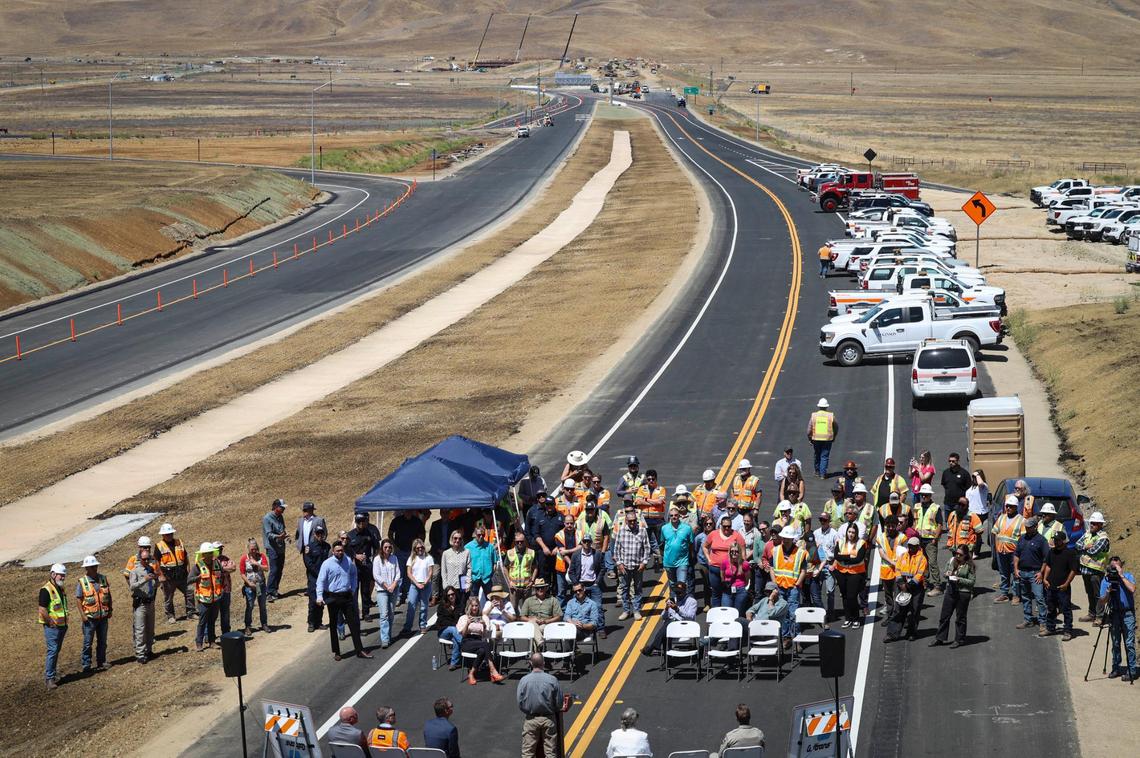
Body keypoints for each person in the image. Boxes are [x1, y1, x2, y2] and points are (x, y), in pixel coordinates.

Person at [315, 541, 372, 660]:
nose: (340, 552)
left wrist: (353, 587)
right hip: (333, 597)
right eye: (337, 551)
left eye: (341, 550)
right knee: (333, 624)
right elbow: (320, 581)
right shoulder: (327, 564)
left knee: (354, 624)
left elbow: (353, 574)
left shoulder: (348, 561)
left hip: (347, 596)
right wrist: (320, 597)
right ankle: (337, 652)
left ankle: (360, 650)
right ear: (333, 551)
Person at [1098, 557, 1137, 679]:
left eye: (1117, 567)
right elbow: (1102, 601)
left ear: (1121, 567)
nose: (1114, 570)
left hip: (1128, 614)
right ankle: (1116, 668)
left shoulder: (1128, 576)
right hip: (1114, 613)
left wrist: (1121, 576)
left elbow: (1132, 589)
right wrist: (1108, 592)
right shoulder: (1106, 580)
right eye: (1112, 567)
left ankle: (1132, 671)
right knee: (1115, 643)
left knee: (1129, 643)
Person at [518, 652, 563, 758]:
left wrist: (528, 711)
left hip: (531, 719)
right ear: (543, 663)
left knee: (527, 753)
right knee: (550, 753)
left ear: (530, 663)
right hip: (548, 718)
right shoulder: (552, 680)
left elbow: (520, 702)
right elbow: (559, 702)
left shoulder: (524, 681)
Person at [930, 545, 976, 648]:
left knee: (960, 617)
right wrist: (947, 574)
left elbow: (972, 582)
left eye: (960, 554)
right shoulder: (951, 560)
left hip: (963, 593)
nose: (957, 556)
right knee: (944, 616)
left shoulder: (970, 566)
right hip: (951, 591)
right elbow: (945, 573)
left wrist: (959, 579)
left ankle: (959, 639)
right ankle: (940, 638)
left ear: (965, 555)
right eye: (956, 554)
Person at [75, 556, 113, 673]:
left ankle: (101, 661)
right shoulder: (82, 582)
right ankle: (86, 664)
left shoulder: (103, 579)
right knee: (88, 642)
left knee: (102, 641)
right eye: (92, 567)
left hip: (103, 616)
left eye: (95, 566)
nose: (95, 568)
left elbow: (108, 595)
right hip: (90, 618)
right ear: (87, 568)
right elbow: (79, 599)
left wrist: (110, 609)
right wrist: (82, 615)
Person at [613, 505, 651, 620]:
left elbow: (647, 548)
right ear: (626, 520)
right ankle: (626, 610)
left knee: (638, 589)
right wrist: (619, 564)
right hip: (625, 566)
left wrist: (644, 562)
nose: (633, 523)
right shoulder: (621, 531)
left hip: (638, 566)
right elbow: (616, 549)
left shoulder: (642, 531)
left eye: (634, 520)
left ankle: (637, 610)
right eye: (630, 521)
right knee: (625, 588)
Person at [772, 526, 808, 648]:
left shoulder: (800, 552)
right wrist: (774, 583)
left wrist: (798, 583)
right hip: (780, 586)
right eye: (784, 537)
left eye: (788, 538)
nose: (786, 540)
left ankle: (797, 638)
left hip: (793, 587)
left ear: (793, 539)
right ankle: (786, 637)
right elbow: (772, 568)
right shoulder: (776, 550)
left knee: (793, 614)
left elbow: (803, 570)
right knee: (783, 614)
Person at [886, 537, 928, 642]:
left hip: (916, 587)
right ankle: (892, 634)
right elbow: (898, 569)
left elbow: (919, 574)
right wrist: (901, 583)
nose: (911, 548)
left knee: (914, 610)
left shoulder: (922, 559)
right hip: (902, 585)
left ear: (918, 546)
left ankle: (912, 633)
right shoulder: (903, 556)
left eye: (913, 546)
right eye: (909, 546)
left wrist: (908, 585)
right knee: (898, 610)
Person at [642, 581, 698, 655]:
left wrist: (677, 609)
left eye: (680, 593)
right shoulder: (672, 600)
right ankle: (665, 654)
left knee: (668, 625)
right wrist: (666, 609)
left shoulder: (692, 602)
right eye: (676, 592)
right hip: (670, 624)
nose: (678, 595)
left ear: (685, 591)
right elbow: (663, 617)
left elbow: (690, 617)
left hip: (683, 625)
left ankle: (652, 648)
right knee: (667, 625)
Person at [458, 596, 505, 684]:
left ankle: (471, 674)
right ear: (469, 607)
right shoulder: (464, 618)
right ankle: (493, 670)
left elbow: (485, 636)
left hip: (479, 641)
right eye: (472, 606)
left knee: (483, 650)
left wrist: (484, 626)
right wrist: (467, 624)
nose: (474, 608)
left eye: (476, 606)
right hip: (467, 641)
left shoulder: (483, 617)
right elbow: (462, 634)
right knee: (485, 645)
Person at [703, 514, 746, 611]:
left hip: (729, 570)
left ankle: (727, 613)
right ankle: (716, 613)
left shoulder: (736, 535)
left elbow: (743, 551)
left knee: (727, 592)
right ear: (720, 525)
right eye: (724, 526)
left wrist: (739, 565)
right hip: (714, 568)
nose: (727, 528)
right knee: (715, 592)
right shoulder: (713, 534)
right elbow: (705, 546)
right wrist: (709, 559)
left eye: (729, 526)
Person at [127, 539, 159, 664]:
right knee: (140, 629)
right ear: (140, 559)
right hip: (140, 604)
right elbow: (132, 586)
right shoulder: (135, 571)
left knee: (150, 629)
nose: (146, 561)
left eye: (148, 559)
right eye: (144, 559)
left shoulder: (151, 569)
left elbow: (156, 585)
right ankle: (140, 654)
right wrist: (144, 580)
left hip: (150, 602)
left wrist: (156, 580)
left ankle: (149, 650)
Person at [567, 535, 607, 637]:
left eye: (588, 541)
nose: (586, 543)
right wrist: (576, 583)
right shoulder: (576, 555)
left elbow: (603, 568)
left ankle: (600, 628)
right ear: (581, 542)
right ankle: (579, 627)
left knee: (597, 606)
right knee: (576, 606)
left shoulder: (597, 554)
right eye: (584, 541)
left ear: (591, 542)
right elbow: (571, 571)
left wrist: (597, 581)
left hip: (593, 583)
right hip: (580, 584)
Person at [1042, 530, 1079, 640]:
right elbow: (1048, 566)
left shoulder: (1070, 553)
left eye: (1058, 540)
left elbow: (1073, 570)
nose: (1056, 542)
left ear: (1063, 541)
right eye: (1055, 540)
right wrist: (1045, 579)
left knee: (1066, 609)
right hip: (1051, 586)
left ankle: (1067, 630)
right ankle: (1050, 627)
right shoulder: (1052, 552)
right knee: (1051, 608)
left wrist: (1066, 584)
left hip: (1063, 588)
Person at [1014, 518, 1049, 630]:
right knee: (1025, 597)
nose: (1027, 529)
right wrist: (1016, 569)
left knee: (1039, 597)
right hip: (1023, 573)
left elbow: (1046, 559)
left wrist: (1041, 573)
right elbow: (1016, 555)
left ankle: (1043, 621)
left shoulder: (1041, 540)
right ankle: (1028, 619)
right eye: (1026, 527)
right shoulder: (1022, 538)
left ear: (1035, 527)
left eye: (1029, 527)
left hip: (1035, 574)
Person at [188, 542, 224, 651]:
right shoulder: (198, 566)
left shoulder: (217, 563)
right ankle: (199, 643)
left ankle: (212, 641)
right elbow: (189, 580)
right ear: (202, 554)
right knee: (202, 622)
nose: (209, 555)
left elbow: (221, 576)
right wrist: (198, 578)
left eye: (210, 553)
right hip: (204, 599)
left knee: (212, 620)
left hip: (215, 598)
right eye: (206, 553)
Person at [39, 563, 70, 689]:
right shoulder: (45, 590)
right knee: (52, 651)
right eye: (60, 575)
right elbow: (42, 609)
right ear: (53, 574)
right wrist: (50, 622)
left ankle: (52, 675)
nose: (62, 578)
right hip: (52, 627)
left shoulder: (60, 588)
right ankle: (49, 679)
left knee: (56, 651)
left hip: (62, 626)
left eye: (63, 576)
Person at [1076, 512, 1111, 623]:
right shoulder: (1088, 533)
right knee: (1089, 593)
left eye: (1094, 524)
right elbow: (1077, 545)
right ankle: (1092, 614)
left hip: (1096, 571)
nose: (1091, 525)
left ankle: (1099, 617)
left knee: (1098, 594)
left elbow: (1094, 551)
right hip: (1085, 570)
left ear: (1100, 525)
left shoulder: (1103, 538)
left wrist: (1084, 548)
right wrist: (1085, 546)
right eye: (1091, 523)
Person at [156, 522, 194, 623]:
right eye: (167, 534)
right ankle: (170, 616)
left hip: (182, 575)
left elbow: (186, 556)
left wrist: (188, 569)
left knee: (189, 592)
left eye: (171, 534)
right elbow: (156, 562)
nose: (169, 536)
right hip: (168, 577)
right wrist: (161, 575)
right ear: (163, 535)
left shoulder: (179, 542)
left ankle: (191, 613)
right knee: (168, 597)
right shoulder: (159, 546)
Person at [833, 523, 868, 628]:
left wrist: (844, 557)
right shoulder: (840, 542)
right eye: (849, 532)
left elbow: (859, 559)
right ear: (846, 532)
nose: (851, 534)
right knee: (844, 596)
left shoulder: (861, 543)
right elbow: (836, 556)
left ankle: (856, 618)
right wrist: (850, 557)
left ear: (856, 533)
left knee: (852, 596)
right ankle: (848, 618)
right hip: (841, 572)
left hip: (855, 573)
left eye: (853, 532)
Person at [991, 495, 1025, 604]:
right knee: (1003, 574)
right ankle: (1004, 594)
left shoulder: (1021, 520)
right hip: (1001, 551)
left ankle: (1016, 595)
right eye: (1007, 506)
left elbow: (1023, 539)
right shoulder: (1001, 517)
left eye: (1011, 506)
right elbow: (994, 531)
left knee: (1016, 575)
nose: (1008, 508)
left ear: (1016, 507)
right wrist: (996, 548)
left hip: (1014, 553)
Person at [348, 512, 382, 618]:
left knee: (366, 590)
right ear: (356, 522)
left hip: (366, 566)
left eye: (363, 521)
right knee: (354, 591)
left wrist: (373, 559)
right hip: (354, 567)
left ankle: (366, 612)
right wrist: (355, 556)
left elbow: (377, 547)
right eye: (359, 521)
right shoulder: (350, 535)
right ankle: (354, 612)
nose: (361, 524)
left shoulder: (370, 533)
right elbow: (347, 550)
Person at [388, 509, 426, 604]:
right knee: (399, 574)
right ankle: (398, 596)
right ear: (403, 511)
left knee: (411, 574)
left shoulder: (417, 521)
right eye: (406, 511)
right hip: (399, 551)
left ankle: (410, 595)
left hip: (412, 551)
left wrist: (418, 547)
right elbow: (390, 533)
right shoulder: (397, 520)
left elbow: (422, 535)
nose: (408, 512)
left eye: (410, 511)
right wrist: (394, 546)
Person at [525, 494, 564, 586]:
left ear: (554, 504)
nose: (549, 506)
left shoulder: (561, 516)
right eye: (547, 504)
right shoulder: (539, 517)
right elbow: (536, 534)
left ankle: (556, 593)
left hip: (556, 550)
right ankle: (545, 593)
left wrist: (558, 547)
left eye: (551, 504)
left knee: (556, 573)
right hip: (543, 550)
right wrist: (544, 547)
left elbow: (564, 534)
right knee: (543, 573)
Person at [913, 484, 944, 595]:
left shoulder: (935, 508)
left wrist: (935, 539)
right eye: (922, 495)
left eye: (926, 495)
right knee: (922, 562)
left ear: (930, 495)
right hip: (919, 539)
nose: (924, 497)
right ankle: (924, 582)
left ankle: (937, 586)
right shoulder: (917, 506)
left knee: (932, 563)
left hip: (930, 540)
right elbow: (914, 522)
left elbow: (940, 524)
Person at [634, 469, 668, 567]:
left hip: (658, 520)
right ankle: (642, 563)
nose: (651, 481)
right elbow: (637, 501)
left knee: (661, 542)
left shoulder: (661, 489)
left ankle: (665, 561)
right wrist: (652, 501)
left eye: (653, 479)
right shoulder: (642, 489)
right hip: (645, 520)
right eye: (649, 479)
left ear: (656, 479)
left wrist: (645, 499)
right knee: (644, 542)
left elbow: (660, 502)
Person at [402, 538, 436, 636]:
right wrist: (416, 583)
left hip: (426, 584)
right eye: (417, 548)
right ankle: (407, 626)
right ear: (414, 549)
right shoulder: (411, 558)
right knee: (411, 605)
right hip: (414, 584)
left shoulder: (428, 558)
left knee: (424, 606)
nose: (420, 549)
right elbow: (409, 573)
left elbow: (430, 572)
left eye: (421, 547)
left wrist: (425, 582)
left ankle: (422, 625)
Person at [876, 517, 907, 620]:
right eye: (888, 526)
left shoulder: (902, 538)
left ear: (896, 525)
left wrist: (897, 564)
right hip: (886, 570)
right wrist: (892, 562)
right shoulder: (881, 537)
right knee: (888, 595)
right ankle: (890, 616)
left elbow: (905, 553)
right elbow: (881, 553)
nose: (890, 528)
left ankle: (898, 617)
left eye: (892, 526)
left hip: (898, 572)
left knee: (898, 594)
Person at [372, 539, 400, 648]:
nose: (387, 549)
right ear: (382, 548)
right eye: (385, 547)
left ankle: (388, 635)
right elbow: (376, 575)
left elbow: (398, 573)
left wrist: (393, 585)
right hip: (382, 590)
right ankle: (384, 639)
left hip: (393, 589)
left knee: (391, 613)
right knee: (384, 615)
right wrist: (386, 586)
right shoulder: (377, 560)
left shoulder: (394, 558)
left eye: (389, 547)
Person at [241, 539, 272, 636]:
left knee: (262, 606)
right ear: (248, 549)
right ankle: (248, 626)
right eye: (252, 549)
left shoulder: (261, 556)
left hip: (261, 585)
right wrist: (249, 583)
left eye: (255, 549)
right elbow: (242, 573)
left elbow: (266, 568)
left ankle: (264, 624)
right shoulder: (244, 559)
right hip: (250, 587)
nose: (254, 551)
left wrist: (257, 564)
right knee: (249, 606)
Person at [812, 512, 840, 617]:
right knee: (816, 591)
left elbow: (838, 550)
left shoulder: (834, 534)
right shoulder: (816, 533)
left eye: (825, 520)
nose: (823, 522)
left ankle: (831, 612)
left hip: (829, 564)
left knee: (830, 591)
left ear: (829, 521)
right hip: (818, 565)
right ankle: (820, 612)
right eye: (821, 520)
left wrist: (835, 564)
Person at [262, 499, 289, 601]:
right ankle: (269, 592)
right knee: (274, 570)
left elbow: (282, 530)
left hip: (281, 547)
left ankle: (275, 591)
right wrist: (279, 536)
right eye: (281, 508)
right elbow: (268, 534)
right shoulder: (267, 518)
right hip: (272, 548)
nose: (283, 510)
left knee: (280, 569)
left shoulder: (280, 517)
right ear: (275, 507)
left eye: (283, 508)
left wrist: (286, 536)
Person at [519, 578, 563, 644]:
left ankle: (536, 649)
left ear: (546, 588)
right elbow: (522, 617)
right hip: (533, 623)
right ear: (535, 589)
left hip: (546, 624)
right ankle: (541, 643)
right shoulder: (528, 600)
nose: (540, 589)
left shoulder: (553, 600)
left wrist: (546, 621)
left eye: (542, 587)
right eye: (538, 588)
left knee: (536, 630)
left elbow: (559, 616)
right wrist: (531, 619)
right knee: (532, 624)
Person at [661, 506, 694, 591]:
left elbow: (691, 543)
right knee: (672, 585)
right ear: (669, 517)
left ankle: (683, 604)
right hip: (668, 562)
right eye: (671, 515)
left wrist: (690, 557)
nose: (674, 517)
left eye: (676, 515)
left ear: (679, 516)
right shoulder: (664, 528)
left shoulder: (687, 528)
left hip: (682, 561)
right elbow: (662, 543)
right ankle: (673, 602)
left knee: (681, 585)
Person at [465, 525, 498, 606]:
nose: (481, 537)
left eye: (483, 535)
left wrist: (492, 572)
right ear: (475, 534)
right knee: (473, 600)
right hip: (474, 577)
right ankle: (473, 616)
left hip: (487, 577)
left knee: (490, 600)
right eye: (479, 535)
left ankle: (490, 615)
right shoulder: (468, 547)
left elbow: (495, 561)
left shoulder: (490, 547)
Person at [552, 516, 582, 605]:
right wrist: (570, 564)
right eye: (567, 523)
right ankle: (560, 612)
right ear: (564, 523)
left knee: (576, 590)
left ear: (574, 523)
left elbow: (581, 547)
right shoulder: (559, 535)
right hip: (562, 567)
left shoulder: (580, 533)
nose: (569, 525)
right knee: (561, 592)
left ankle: (575, 610)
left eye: (571, 523)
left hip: (577, 567)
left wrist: (568, 551)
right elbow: (562, 552)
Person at [505, 532, 537, 610]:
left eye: (522, 541)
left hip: (527, 587)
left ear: (525, 541)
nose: (520, 543)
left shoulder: (531, 552)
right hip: (514, 587)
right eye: (517, 541)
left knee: (526, 610)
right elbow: (505, 567)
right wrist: (509, 582)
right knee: (513, 610)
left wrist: (532, 581)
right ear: (514, 541)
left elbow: (535, 567)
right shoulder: (509, 552)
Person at [807, 398, 837, 479]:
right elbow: (836, 427)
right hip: (827, 439)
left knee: (817, 454)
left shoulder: (814, 415)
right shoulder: (831, 415)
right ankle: (823, 474)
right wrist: (834, 436)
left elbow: (809, 429)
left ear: (819, 407)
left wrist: (809, 438)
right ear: (826, 407)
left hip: (816, 439)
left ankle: (817, 472)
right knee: (824, 456)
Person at [440, 529, 472, 606]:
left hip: (462, 586)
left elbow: (469, 568)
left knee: (462, 607)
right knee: (450, 608)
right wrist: (445, 586)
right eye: (455, 538)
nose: (457, 540)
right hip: (450, 586)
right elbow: (444, 571)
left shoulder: (466, 552)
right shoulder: (446, 553)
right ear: (451, 539)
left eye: (459, 538)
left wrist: (468, 583)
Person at [436, 586, 464, 670]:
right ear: (446, 597)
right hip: (444, 631)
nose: (451, 596)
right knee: (453, 629)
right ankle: (465, 644)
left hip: (456, 632)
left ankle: (453, 663)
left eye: (452, 594)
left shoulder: (460, 605)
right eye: (449, 595)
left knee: (455, 640)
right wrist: (454, 624)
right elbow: (441, 621)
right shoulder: (442, 606)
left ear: (455, 594)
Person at [965, 470, 991, 558]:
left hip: (979, 513)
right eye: (973, 477)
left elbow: (980, 483)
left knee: (977, 533)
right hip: (970, 512)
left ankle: (976, 552)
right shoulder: (971, 488)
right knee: (969, 533)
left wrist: (977, 475)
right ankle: (970, 551)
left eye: (975, 477)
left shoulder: (983, 487)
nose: (974, 479)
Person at [212, 540, 236, 635]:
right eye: (218, 548)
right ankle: (209, 635)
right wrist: (225, 569)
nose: (220, 550)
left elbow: (233, 568)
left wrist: (220, 569)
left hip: (226, 590)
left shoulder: (225, 558)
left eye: (221, 548)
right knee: (213, 614)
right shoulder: (210, 561)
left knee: (225, 613)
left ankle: (226, 632)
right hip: (214, 591)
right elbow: (212, 572)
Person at [940, 453, 971, 521]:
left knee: (958, 522)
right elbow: (945, 485)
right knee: (948, 523)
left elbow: (968, 488)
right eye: (949, 461)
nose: (951, 463)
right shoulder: (946, 473)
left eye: (953, 461)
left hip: (959, 504)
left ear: (958, 461)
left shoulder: (964, 473)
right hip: (948, 503)